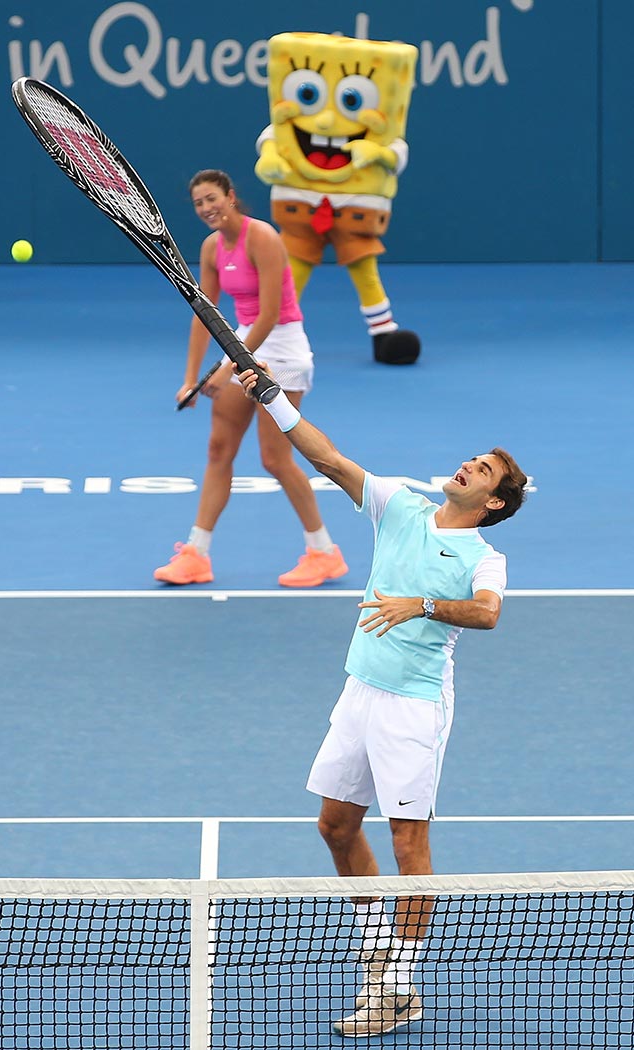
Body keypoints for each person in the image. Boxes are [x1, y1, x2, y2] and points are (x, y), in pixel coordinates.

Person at [237, 365, 528, 1036]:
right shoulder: (397, 504)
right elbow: (329, 458)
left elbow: (487, 615)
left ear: (494, 503)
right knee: (335, 828)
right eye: (471, 459)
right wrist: (272, 398)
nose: (466, 466)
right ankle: (378, 945)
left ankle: (399, 985)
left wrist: (420, 604)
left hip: (414, 707)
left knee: (407, 842)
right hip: (359, 690)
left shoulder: (485, 558)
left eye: (481, 469)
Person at [153, 170, 347, 588]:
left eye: (212, 199)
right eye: (199, 203)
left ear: (231, 197)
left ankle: (324, 552)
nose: (206, 208)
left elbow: (271, 314)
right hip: (243, 342)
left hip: (284, 349)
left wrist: (226, 369)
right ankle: (196, 554)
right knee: (219, 448)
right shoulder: (210, 248)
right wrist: (190, 378)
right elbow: (204, 314)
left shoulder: (263, 238)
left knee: (275, 459)